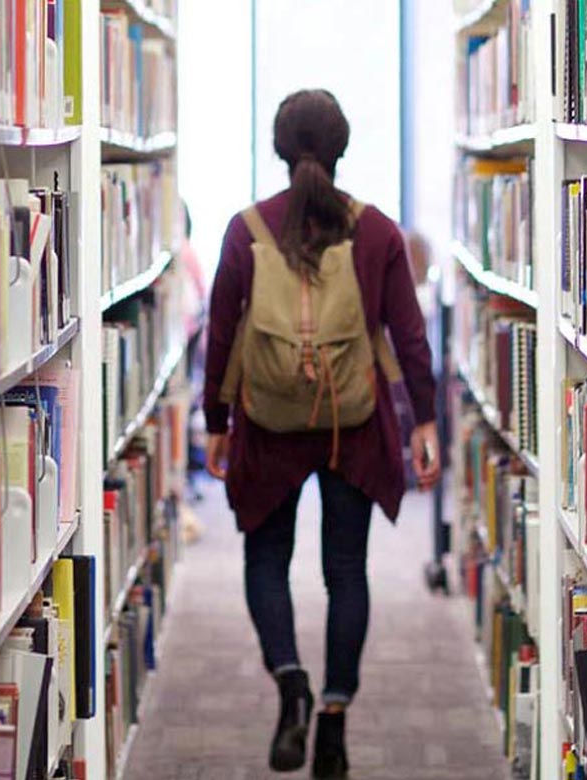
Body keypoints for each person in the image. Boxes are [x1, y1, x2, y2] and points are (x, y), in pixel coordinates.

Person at [203, 89, 440, 779]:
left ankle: (292, 686)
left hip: (270, 424)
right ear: (342, 149)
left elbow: (222, 335)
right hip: (351, 424)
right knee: (346, 572)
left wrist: (216, 425)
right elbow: (409, 335)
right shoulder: (377, 233)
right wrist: (423, 418)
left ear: (280, 151)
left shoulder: (245, 228)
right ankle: (334, 720)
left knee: (265, 561)